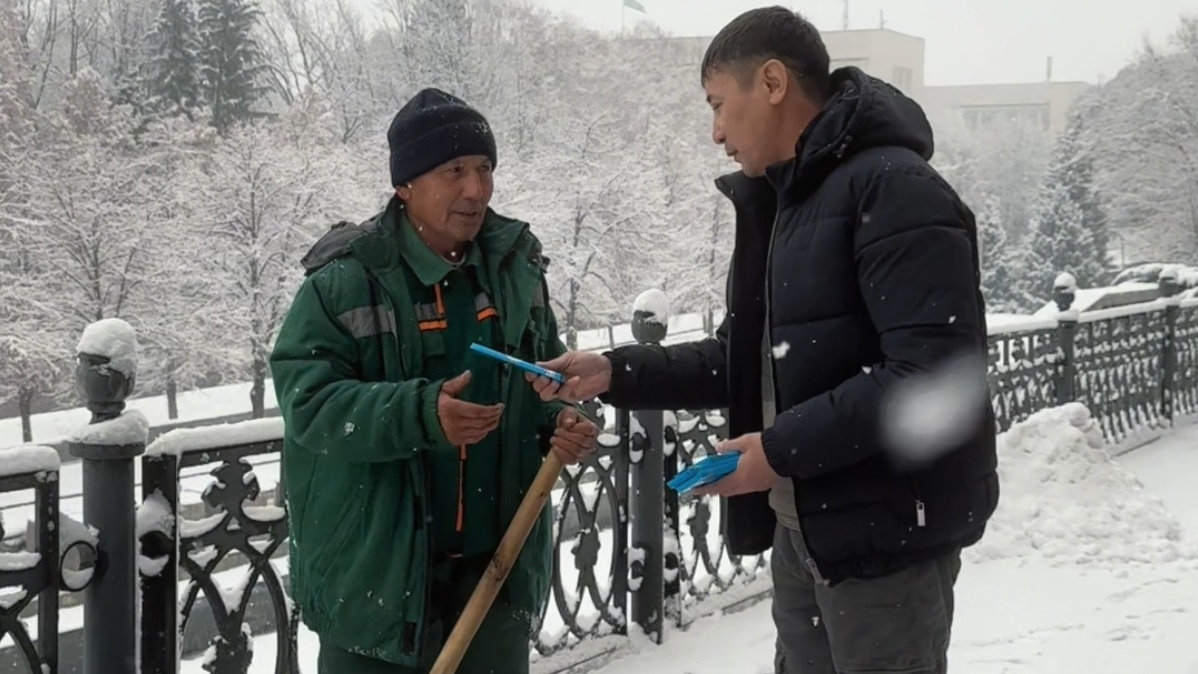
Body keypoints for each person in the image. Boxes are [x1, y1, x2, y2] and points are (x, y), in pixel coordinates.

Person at [526, 7, 998, 674]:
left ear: (772, 82)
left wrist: (777, 451)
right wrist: (613, 371)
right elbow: (748, 363)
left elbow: (930, 378)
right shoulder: (788, 203)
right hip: (806, 528)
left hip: (886, 538)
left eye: (719, 104)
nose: (716, 132)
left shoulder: (894, 191)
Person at [270, 87, 599, 674]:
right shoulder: (344, 283)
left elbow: (540, 380)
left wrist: (560, 421)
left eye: (484, 169)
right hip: (376, 589)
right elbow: (308, 403)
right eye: (453, 171)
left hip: (494, 577)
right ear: (405, 185)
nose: (475, 190)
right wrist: (420, 414)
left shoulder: (514, 272)